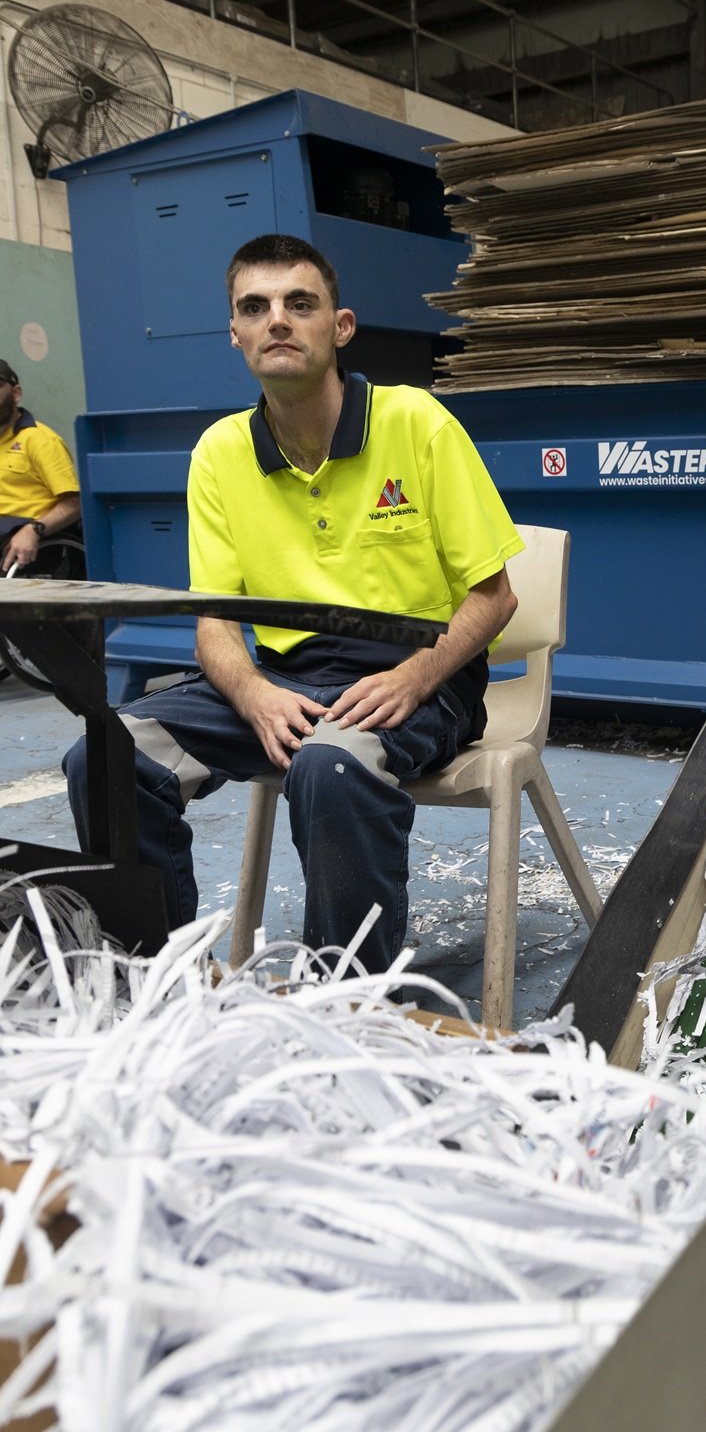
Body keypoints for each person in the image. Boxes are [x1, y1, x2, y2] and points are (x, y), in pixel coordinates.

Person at [63, 233, 522, 973]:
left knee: (330, 766)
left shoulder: (417, 423)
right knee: (103, 758)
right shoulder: (218, 452)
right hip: (284, 682)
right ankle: (158, 987)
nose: (278, 319)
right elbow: (215, 627)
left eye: (299, 303)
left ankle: (345, 1005)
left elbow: (495, 597)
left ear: (338, 327)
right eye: (256, 306)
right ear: (237, 334)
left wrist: (415, 678)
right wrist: (253, 696)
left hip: (417, 677)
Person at [0, 359, 81, 574]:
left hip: (24, 536)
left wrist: (34, 530)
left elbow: (74, 504)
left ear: (15, 393)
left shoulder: (40, 440)